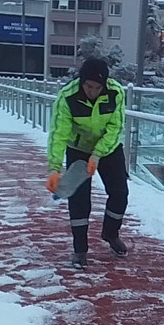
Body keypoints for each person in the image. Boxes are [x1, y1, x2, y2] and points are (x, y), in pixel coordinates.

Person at [46, 58, 128, 268]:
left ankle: (111, 233)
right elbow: (59, 134)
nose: (93, 91)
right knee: (80, 200)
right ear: (82, 82)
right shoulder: (67, 96)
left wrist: (98, 154)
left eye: (98, 87)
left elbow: (115, 127)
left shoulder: (116, 93)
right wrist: (55, 168)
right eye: (89, 86)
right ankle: (80, 250)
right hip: (78, 148)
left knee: (119, 193)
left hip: (108, 148)